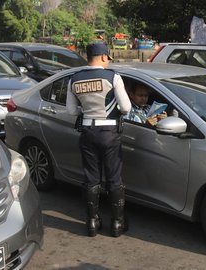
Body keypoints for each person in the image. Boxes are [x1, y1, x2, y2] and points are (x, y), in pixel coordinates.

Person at [66, 42, 132, 238]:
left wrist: (86, 111)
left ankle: (92, 222)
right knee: (114, 179)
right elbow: (126, 107)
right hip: (109, 133)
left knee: (91, 179)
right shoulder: (113, 76)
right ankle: (117, 223)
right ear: (104, 57)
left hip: (87, 132)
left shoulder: (74, 79)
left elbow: (70, 110)